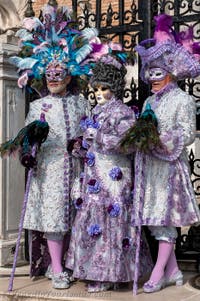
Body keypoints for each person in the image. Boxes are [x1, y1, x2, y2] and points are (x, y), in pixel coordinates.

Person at [8, 3, 99, 289]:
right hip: (48, 170)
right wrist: (28, 152)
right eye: (49, 75)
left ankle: (74, 263)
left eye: (59, 74)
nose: (54, 79)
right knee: (54, 217)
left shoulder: (81, 103)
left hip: (77, 170)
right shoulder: (38, 106)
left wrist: (83, 145)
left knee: (76, 217)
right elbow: (27, 136)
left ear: (70, 75)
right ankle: (56, 267)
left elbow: (92, 133)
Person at [65, 50, 153, 292]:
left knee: (112, 220)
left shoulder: (123, 112)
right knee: (93, 220)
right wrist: (80, 145)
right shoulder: (96, 112)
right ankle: (93, 270)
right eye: (96, 89)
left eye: (104, 88)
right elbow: (90, 142)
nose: (99, 94)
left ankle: (111, 274)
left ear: (114, 88)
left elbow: (130, 144)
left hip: (115, 174)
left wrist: (100, 137)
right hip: (93, 176)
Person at [130, 14, 200, 293]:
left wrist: (159, 140)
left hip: (170, 169)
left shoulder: (183, 100)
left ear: (170, 73)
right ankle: (173, 271)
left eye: (158, 73)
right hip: (150, 167)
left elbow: (187, 133)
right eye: (150, 73)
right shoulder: (148, 100)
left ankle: (158, 272)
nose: (152, 79)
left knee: (164, 219)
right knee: (154, 220)